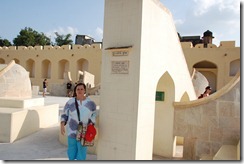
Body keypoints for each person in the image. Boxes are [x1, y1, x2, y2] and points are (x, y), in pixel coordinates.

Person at [60, 82, 97, 160]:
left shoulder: (91, 103)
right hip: (72, 131)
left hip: (84, 131)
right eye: (78, 89)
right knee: (71, 150)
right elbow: (64, 114)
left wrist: (91, 125)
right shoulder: (70, 102)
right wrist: (62, 124)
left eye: (81, 89)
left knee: (82, 151)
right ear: (75, 91)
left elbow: (93, 115)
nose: (80, 91)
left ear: (84, 91)